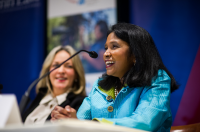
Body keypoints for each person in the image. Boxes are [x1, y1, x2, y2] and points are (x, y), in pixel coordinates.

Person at [50, 23, 179, 132]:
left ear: (135, 53)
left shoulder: (157, 80)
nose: (106, 54)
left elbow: (144, 123)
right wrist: (68, 118)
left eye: (114, 47)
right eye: (106, 48)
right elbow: (80, 122)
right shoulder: (99, 85)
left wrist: (94, 125)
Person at [22, 45, 86, 125]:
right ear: (48, 71)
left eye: (68, 66)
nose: (61, 71)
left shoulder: (81, 103)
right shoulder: (39, 97)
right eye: (56, 65)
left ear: (76, 74)